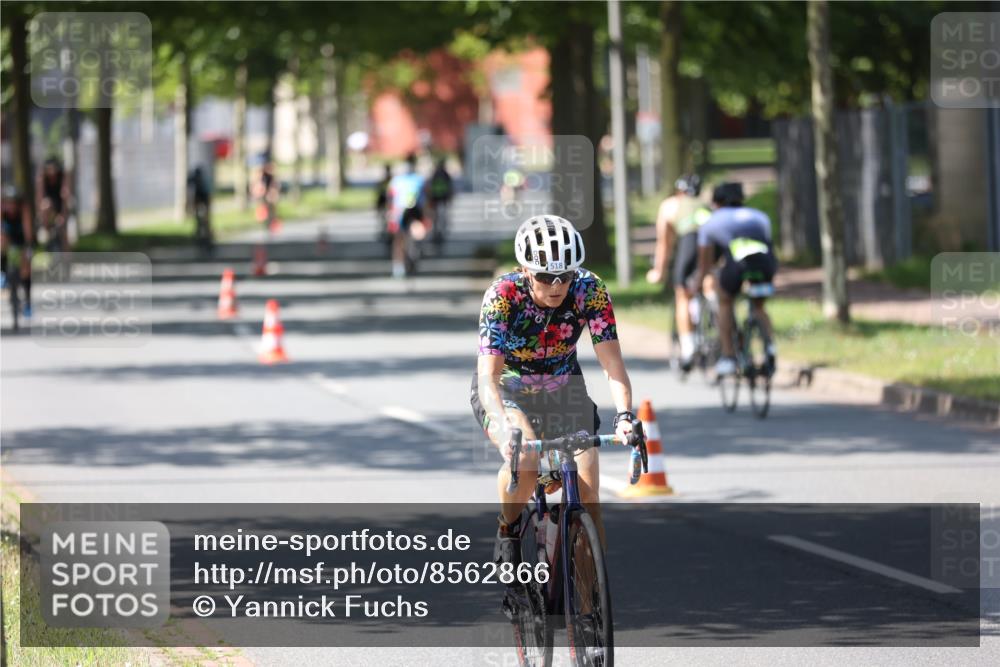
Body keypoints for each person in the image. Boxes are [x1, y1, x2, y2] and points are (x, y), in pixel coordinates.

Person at [472, 215, 637, 567]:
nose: (557, 285)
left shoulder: (589, 290)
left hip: (564, 387)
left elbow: (612, 363)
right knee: (526, 461)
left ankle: (589, 602)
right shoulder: (503, 296)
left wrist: (624, 416)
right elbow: (488, 377)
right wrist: (507, 428)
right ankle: (508, 529)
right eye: (546, 276)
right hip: (507, 388)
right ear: (525, 270)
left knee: (590, 500)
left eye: (566, 275)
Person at [692, 182, 777, 376]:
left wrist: (698, 284)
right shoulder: (760, 216)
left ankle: (729, 356)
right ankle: (770, 347)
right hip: (765, 262)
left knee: (725, 300)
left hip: (739, 262)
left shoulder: (711, 222)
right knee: (759, 306)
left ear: (716, 202)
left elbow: (705, 265)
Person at [645, 174, 712, 371]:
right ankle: (711, 306)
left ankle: (688, 348)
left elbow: (664, 244)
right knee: (708, 280)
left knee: (682, 294)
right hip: (713, 243)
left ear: (679, 191)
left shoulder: (670, 205)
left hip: (690, 242)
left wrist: (658, 271)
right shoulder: (705, 203)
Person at [386, 153, 428, 278]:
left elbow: (425, 198)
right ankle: (398, 265)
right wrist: (391, 212)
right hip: (401, 212)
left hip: (415, 212)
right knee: (399, 239)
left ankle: (413, 256)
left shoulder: (419, 179)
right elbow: (390, 197)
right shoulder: (397, 180)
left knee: (415, 236)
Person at [1, 185, 34, 318]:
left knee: (26, 268)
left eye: (13, 202)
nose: (11, 205)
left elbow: (28, 232)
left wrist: (28, 247)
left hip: (21, 239)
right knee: (1, 240)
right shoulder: (2, 211)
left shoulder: (24, 210)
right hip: (7, 240)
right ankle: (2, 273)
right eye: (8, 202)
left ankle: (27, 301)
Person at [36, 158, 70, 252]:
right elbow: (39, 197)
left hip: (60, 208)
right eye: (49, 169)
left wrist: (63, 216)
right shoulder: (42, 179)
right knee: (46, 204)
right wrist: (41, 216)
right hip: (47, 209)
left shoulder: (62, 177)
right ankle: (46, 230)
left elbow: (65, 197)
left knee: (63, 233)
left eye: (54, 169)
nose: (52, 172)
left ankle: (68, 258)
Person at [187, 166, 213, 252]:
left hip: (203, 197)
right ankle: (200, 235)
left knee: (205, 220)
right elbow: (193, 196)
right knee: (199, 220)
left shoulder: (204, 182)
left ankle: (207, 236)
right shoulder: (193, 180)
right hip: (199, 197)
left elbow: (207, 197)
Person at [428, 158, 454, 244]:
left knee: (438, 217)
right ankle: (438, 232)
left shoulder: (436, 174)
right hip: (441, 198)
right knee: (440, 216)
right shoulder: (444, 174)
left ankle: (437, 232)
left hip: (438, 198)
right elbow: (450, 186)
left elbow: (431, 186)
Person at [252, 158, 280, 233]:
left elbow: (274, 186)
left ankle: (272, 220)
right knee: (264, 206)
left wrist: (273, 193)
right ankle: (265, 220)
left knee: (271, 206)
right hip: (263, 194)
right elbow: (258, 186)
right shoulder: (261, 175)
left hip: (269, 194)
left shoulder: (271, 177)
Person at [375, 164, 393, 244]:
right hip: (384, 203)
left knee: (389, 221)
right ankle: (385, 234)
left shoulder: (392, 180)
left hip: (389, 204)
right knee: (384, 220)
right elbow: (379, 195)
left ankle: (389, 235)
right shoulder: (383, 182)